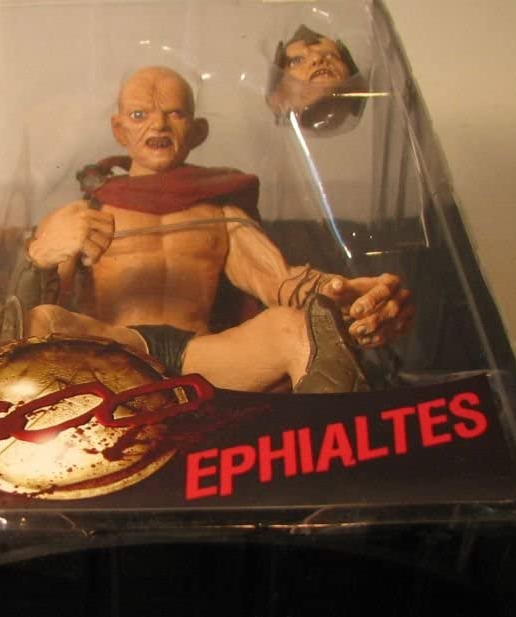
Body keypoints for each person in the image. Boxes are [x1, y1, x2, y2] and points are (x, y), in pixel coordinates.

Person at [22, 65, 410, 392]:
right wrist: (38, 258)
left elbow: (277, 282)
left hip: (201, 356)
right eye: (140, 115)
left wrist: (344, 299)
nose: (158, 124)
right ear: (119, 130)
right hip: (115, 350)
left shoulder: (220, 211)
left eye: (175, 113)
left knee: (294, 329)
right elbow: (31, 303)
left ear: (197, 131)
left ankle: (324, 451)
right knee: (40, 321)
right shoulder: (87, 213)